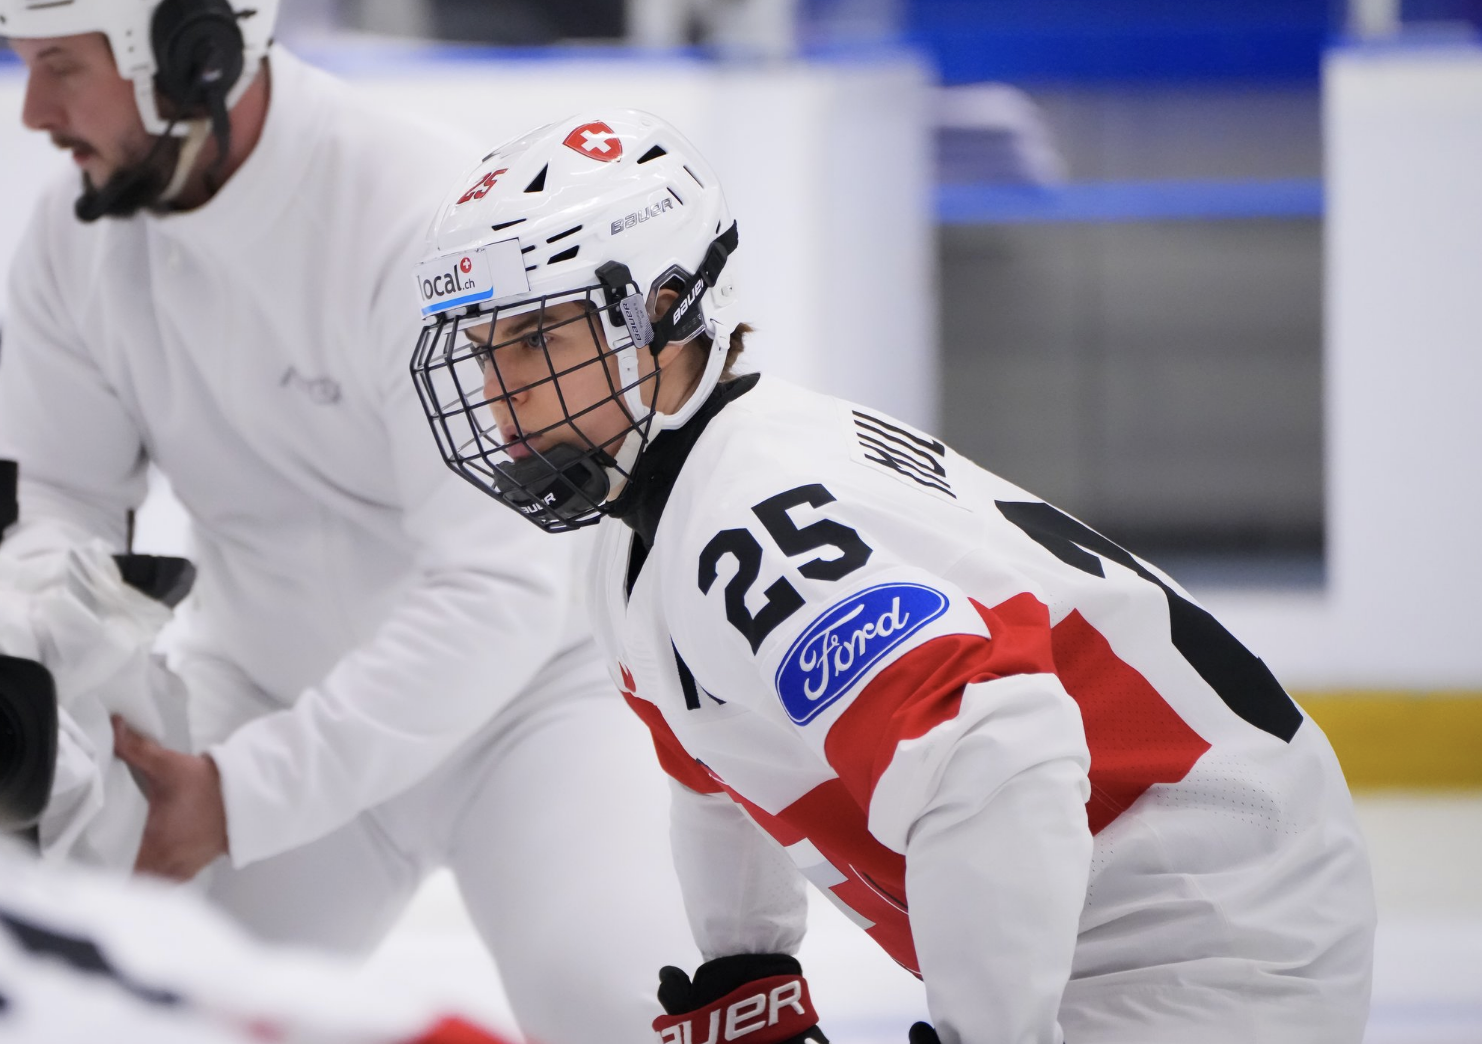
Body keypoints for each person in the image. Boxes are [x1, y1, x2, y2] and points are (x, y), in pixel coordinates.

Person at [408, 109, 1378, 1044]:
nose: (501, 394)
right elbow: (717, 769)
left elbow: (998, 754)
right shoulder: (647, 526)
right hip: (1165, 898)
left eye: (538, 341)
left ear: (666, 309)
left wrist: (982, 1033)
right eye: (486, 350)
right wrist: (745, 969)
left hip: (1206, 928)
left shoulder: (747, 520)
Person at [0, 5, 697, 1042]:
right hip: (270, 700)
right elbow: (62, 500)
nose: (34, 112)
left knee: (631, 1019)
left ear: (193, 50)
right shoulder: (70, 238)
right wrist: (41, 659)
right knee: (126, 1021)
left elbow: (498, 592)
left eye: (60, 65)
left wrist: (238, 798)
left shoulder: (422, 221)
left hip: (535, 712)